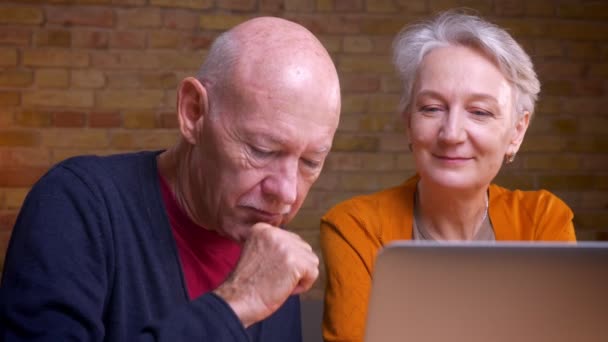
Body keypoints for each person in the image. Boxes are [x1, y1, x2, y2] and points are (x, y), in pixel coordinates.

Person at [0, 17, 341, 341]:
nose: (286, 192)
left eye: (310, 161)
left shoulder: (274, 252)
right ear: (193, 112)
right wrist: (237, 304)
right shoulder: (75, 205)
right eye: (262, 150)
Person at [320, 10, 576, 342]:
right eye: (431, 108)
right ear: (408, 122)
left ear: (517, 131)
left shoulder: (544, 221)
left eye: (479, 112)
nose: (452, 133)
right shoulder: (355, 227)